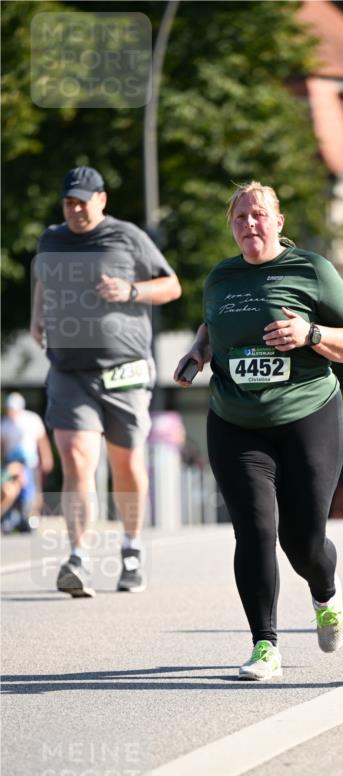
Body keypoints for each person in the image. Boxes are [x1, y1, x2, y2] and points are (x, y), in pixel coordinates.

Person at [174, 181, 343, 680]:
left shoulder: (311, 270)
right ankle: (265, 644)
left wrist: (311, 334)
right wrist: (199, 352)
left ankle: (325, 591)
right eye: (240, 217)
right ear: (232, 227)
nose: (250, 224)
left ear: (279, 222)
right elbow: (212, 323)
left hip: (308, 416)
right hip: (236, 422)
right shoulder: (221, 277)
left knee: (303, 540)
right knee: (255, 530)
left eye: (259, 215)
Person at [31, 166, 182, 596]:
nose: (76, 208)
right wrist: (36, 315)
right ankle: (77, 557)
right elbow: (43, 279)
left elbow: (171, 286)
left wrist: (130, 291)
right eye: (69, 201)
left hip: (125, 369)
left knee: (126, 464)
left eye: (83, 200)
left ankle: (132, 548)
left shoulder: (127, 236)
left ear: (102, 199)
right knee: (77, 457)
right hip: (68, 368)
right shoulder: (52, 239)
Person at [1, 392, 54, 532]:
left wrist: (47, 458)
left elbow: (42, 441)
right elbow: (2, 446)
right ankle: (12, 518)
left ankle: (31, 516)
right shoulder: (5, 424)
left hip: (30, 464)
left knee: (33, 491)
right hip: (12, 464)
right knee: (12, 490)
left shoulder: (32, 420)